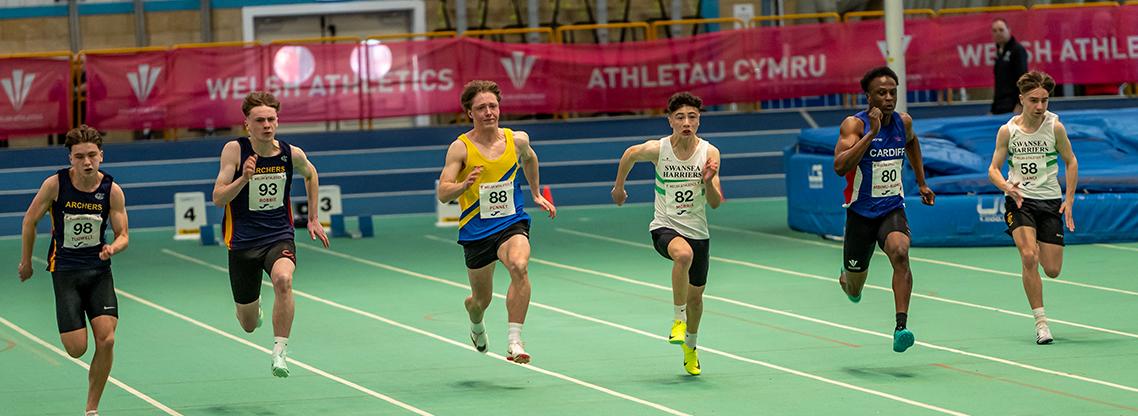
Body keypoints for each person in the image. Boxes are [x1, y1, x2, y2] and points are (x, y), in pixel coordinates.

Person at [437, 80, 556, 364]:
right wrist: (464, 184)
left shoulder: (517, 140)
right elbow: (443, 193)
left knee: (519, 265)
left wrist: (536, 193)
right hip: (476, 231)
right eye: (481, 108)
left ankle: (515, 341)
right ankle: (475, 321)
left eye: (493, 106)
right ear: (469, 113)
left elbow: (530, 159)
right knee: (481, 300)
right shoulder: (461, 148)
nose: (489, 112)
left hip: (511, 222)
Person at [212, 91, 329, 378]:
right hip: (242, 243)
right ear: (247, 125)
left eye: (271, 119)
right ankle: (255, 309)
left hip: (278, 236)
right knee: (248, 324)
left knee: (284, 280)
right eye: (260, 120)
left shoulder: (291, 154)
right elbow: (218, 198)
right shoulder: (235, 151)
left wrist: (313, 217)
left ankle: (280, 351)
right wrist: (244, 178)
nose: (267, 125)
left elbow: (311, 174)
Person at [18, 125, 129, 416]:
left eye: (92, 155)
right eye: (80, 156)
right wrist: (26, 261)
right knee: (77, 348)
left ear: (101, 156)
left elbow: (123, 234)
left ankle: (91, 409)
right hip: (65, 271)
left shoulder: (112, 190)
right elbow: (29, 221)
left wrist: (113, 248)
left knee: (107, 339)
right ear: (70, 158)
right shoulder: (55, 185)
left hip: (98, 271)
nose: (87, 162)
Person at [611, 92, 723, 376]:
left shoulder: (709, 153)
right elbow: (629, 155)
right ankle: (677, 319)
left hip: (698, 231)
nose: (687, 122)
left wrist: (708, 182)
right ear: (670, 120)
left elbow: (715, 202)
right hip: (665, 226)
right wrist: (619, 188)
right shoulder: (658, 149)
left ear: (699, 121)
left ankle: (691, 348)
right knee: (682, 255)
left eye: (693, 117)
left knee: (696, 298)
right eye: (681, 117)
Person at [834, 66, 935, 353]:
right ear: (869, 97)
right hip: (860, 214)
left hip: (891, 208)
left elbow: (912, 143)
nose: (889, 98)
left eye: (893, 92)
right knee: (854, 288)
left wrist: (922, 182)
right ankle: (847, 275)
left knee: (900, 252)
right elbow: (840, 167)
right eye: (882, 93)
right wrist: (872, 135)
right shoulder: (854, 126)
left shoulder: (903, 123)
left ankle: (900, 327)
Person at [987, 71, 1078, 345]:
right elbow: (993, 169)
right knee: (1029, 256)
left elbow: (1070, 161)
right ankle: (1041, 324)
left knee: (1052, 269)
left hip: (1049, 201)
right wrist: (1007, 186)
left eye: (1045, 101)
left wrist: (1069, 200)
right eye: (1034, 101)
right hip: (1020, 200)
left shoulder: (1055, 128)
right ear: (1022, 100)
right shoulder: (1008, 131)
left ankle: (1040, 240)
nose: (1040, 107)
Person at [991, 18, 1029, 115]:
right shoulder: (999, 53)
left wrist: (1020, 104)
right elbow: (999, 84)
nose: (998, 33)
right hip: (1000, 107)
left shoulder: (1017, 50)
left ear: (1009, 30)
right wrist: (993, 108)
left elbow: (1023, 79)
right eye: (995, 31)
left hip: (1012, 107)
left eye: (1001, 30)